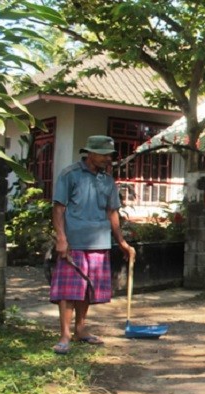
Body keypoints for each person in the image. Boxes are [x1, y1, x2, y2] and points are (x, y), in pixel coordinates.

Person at [50, 135, 135, 355]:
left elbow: (112, 212)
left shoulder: (108, 181)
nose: (109, 159)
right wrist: (61, 238)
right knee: (68, 291)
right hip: (73, 242)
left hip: (99, 242)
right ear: (91, 153)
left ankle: (80, 330)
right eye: (105, 154)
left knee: (87, 290)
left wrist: (122, 242)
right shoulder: (70, 174)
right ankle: (64, 335)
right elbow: (58, 208)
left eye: (110, 155)